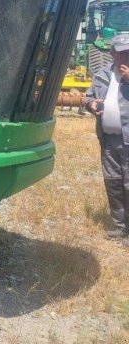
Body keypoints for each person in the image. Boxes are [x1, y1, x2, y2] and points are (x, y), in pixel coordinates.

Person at [85, 34, 129, 244]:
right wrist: (91, 104)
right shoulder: (102, 74)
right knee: (113, 183)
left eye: (128, 52)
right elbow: (89, 96)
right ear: (112, 53)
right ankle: (120, 228)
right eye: (120, 52)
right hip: (108, 141)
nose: (124, 56)